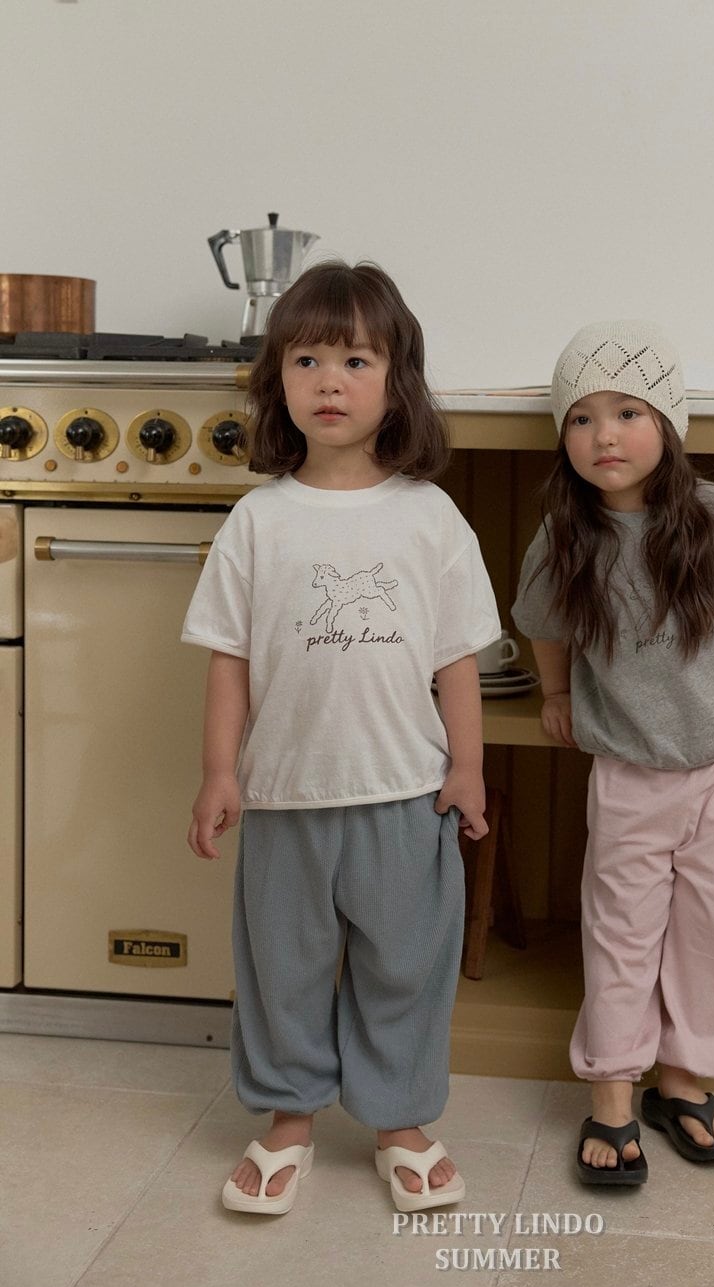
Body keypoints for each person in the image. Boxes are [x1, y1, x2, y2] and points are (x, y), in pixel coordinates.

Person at [182, 261, 500, 1215]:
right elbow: (230, 659)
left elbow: (456, 659)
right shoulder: (257, 521)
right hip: (285, 797)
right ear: (277, 380)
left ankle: (400, 1122)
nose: (329, 381)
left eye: (356, 361)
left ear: (397, 382)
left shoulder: (429, 517)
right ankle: (290, 1118)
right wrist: (219, 772)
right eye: (307, 360)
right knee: (282, 969)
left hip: (405, 792)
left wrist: (469, 767)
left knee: (406, 965)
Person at [512, 321, 714, 1184]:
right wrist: (556, 694)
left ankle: (684, 1080)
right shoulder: (565, 537)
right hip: (633, 773)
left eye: (628, 412)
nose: (605, 434)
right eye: (582, 417)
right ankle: (612, 1092)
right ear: (564, 436)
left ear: (667, 424)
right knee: (621, 933)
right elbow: (544, 627)